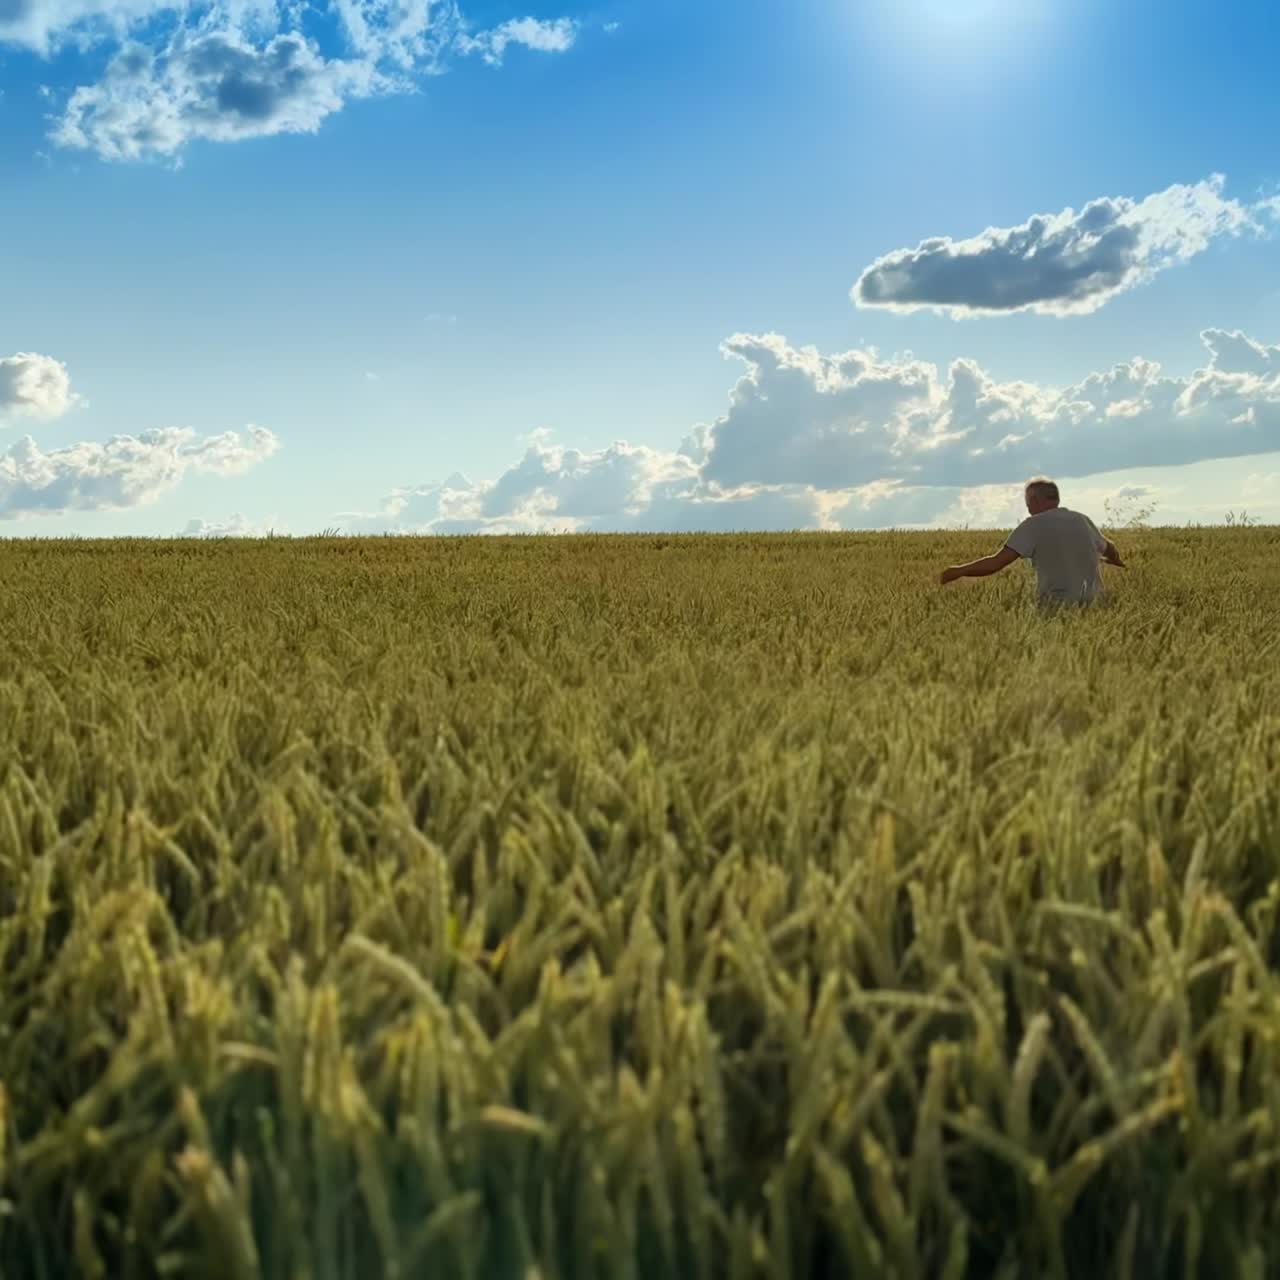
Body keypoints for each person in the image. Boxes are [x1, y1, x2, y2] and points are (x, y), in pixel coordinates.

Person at [939, 477, 1125, 604]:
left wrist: (959, 571)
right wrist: (1115, 560)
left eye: (1027, 501)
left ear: (1035, 500)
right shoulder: (1081, 519)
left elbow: (995, 564)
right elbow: (1110, 548)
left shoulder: (1032, 525)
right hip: (1096, 603)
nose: (1027, 506)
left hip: (1056, 606)